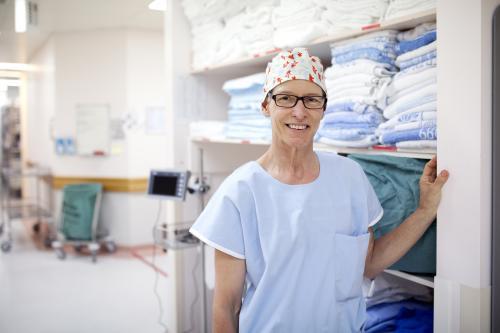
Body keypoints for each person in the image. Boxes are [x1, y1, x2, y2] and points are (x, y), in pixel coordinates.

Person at [189, 48, 449, 333]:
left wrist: (425, 211)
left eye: (312, 100)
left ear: (323, 109)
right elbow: (226, 307)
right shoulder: (240, 192)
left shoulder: (350, 177)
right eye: (286, 98)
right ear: (266, 105)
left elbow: (369, 265)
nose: (299, 111)